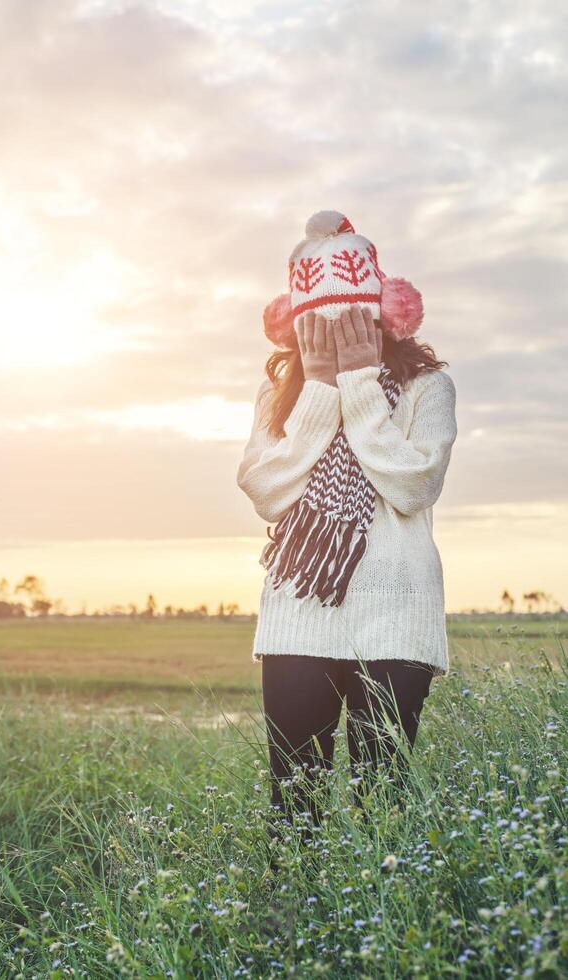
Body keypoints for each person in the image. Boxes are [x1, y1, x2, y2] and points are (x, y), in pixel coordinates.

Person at [236, 210, 458, 850]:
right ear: (297, 320)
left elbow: (413, 484)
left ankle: (377, 940)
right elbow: (267, 489)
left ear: (378, 311)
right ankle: (293, 937)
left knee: (381, 802)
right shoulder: (280, 390)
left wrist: (359, 382)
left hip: (396, 614)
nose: (333, 332)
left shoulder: (427, 385)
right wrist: (322, 389)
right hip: (300, 611)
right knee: (294, 803)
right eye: (318, 322)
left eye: (348, 318)